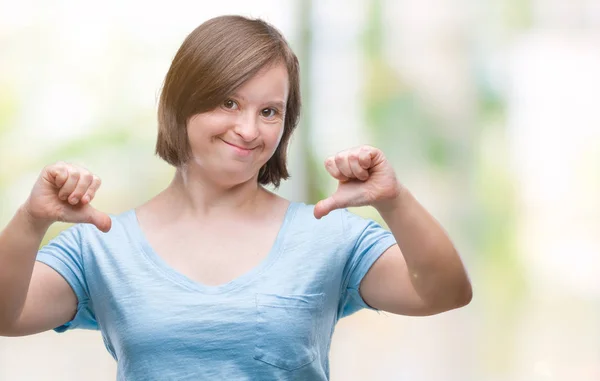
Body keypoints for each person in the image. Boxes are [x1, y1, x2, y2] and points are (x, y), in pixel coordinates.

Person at [0, 15, 472, 380]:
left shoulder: (329, 235)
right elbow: (6, 316)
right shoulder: (100, 246)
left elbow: (446, 293)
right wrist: (29, 221)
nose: (249, 130)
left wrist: (393, 200)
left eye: (269, 111)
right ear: (181, 102)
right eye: (229, 102)